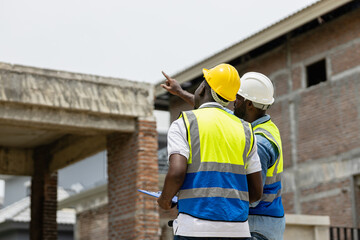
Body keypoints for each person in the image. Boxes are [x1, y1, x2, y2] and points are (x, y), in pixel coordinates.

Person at [161, 71, 285, 240]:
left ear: (249, 104)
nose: (233, 101)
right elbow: (214, 113)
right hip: (248, 226)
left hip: (258, 225)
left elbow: (253, 197)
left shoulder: (260, 141)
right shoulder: (250, 128)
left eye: (238, 98)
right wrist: (181, 92)